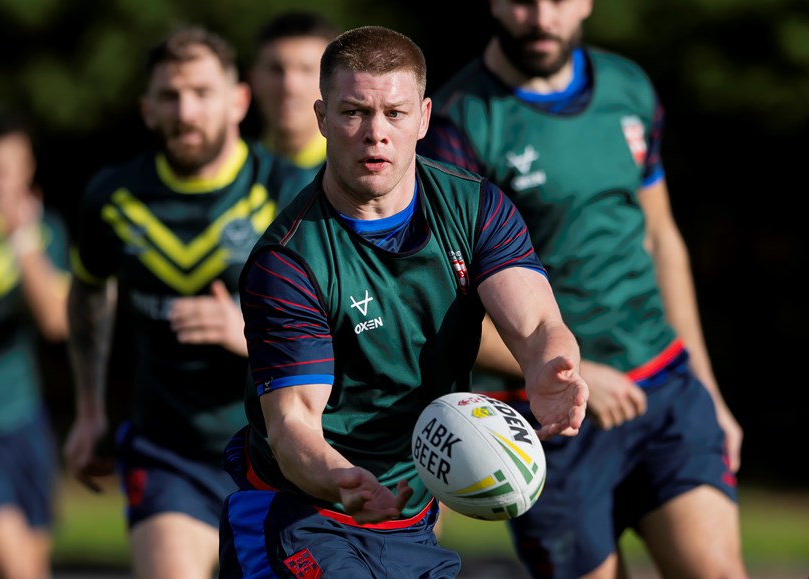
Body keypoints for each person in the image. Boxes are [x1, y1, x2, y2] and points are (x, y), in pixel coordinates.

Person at [218, 25, 589, 578]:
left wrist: (549, 367)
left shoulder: (474, 208)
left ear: (424, 118)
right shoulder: (290, 260)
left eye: (394, 113)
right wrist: (339, 480)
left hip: (409, 521)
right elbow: (293, 424)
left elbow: (535, 321)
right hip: (296, 513)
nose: (376, 134)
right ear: (321, 118)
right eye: (354, 112)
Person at [416, 1, 747, 578]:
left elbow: (662, 239)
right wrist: (573, 371)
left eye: (558, 0)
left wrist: (707, 386)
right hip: (547, 416)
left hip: (663, 385)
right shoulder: (455, 126)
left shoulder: (628, 87)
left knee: (715, 569)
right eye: (522, 1)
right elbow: (446, 307)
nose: (541, 17)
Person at [62, 26, 310, 579]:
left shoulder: (291, 193)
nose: (185, 110)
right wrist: (89, 410)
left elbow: (343, 323)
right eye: (170, 96)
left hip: (278, 453)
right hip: (168, 449)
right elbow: (87, 294)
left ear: (239, 101)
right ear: (147, 109)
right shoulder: (113, 197)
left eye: (201, 93)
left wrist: (247, 331)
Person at [0, 113, 70, 579]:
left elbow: (55, 321)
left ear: (28, 168)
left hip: (24, 421)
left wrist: (20, 238)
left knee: (30, 568)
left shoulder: (44, 231)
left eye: (9, 167)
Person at [247, 10, 339, 173]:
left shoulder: (358, 173)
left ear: (336, 81)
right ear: (254, 79)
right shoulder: (230, 171)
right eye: (276, 70)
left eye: (306, 69)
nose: (289, 86)